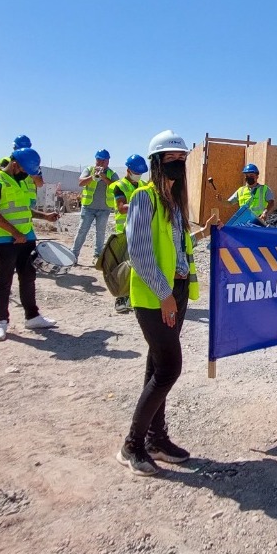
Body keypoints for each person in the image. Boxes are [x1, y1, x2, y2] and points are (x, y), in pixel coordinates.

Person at [117, 129, 200, 476]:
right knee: (169, 368)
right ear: (156, 163)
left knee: (156, 364)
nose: (177, 166)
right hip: (155, 296)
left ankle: (156, 437)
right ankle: (132, 445)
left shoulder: (175, 202)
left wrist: (204, 232)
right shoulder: (144, 197)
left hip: (175, 292)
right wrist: (165, 295)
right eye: (171, 160)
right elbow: (139, 251)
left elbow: (177, 247)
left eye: (182, 160)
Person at [0, 147, 60, 341]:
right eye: (25, 169)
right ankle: (1, 322)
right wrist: (14, 233)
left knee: (28, 278)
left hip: (27, 237)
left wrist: (45, 217)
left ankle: (32, 316)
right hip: (2, 240)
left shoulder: (24, 181)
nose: (27, 173)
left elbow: (25, 209)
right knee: (4, 281)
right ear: (15, 163)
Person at [108, 154, 148, 314]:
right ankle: (120, 300)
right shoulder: (119, 186)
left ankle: (134, 297)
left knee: (138, 266)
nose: (138, 175)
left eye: (140, 172)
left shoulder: (143, 184)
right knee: (125, 266)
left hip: (140, 230)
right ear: (128, 170)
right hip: (125, 231)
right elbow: (121, 207)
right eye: (136, 172)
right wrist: (141, 204)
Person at [73, 149, 116, 264]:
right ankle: (74, 255)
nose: (100, 163)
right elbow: (81, 183)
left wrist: (103, 177)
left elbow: (116, 186)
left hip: (104, 208)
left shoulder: (112, 174)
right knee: (82, 231)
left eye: (103, 160)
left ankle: (97, 256)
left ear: (108, 161)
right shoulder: (89, 170)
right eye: (98, 160)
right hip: (88, 207)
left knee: (100, 232)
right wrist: (92, 177)